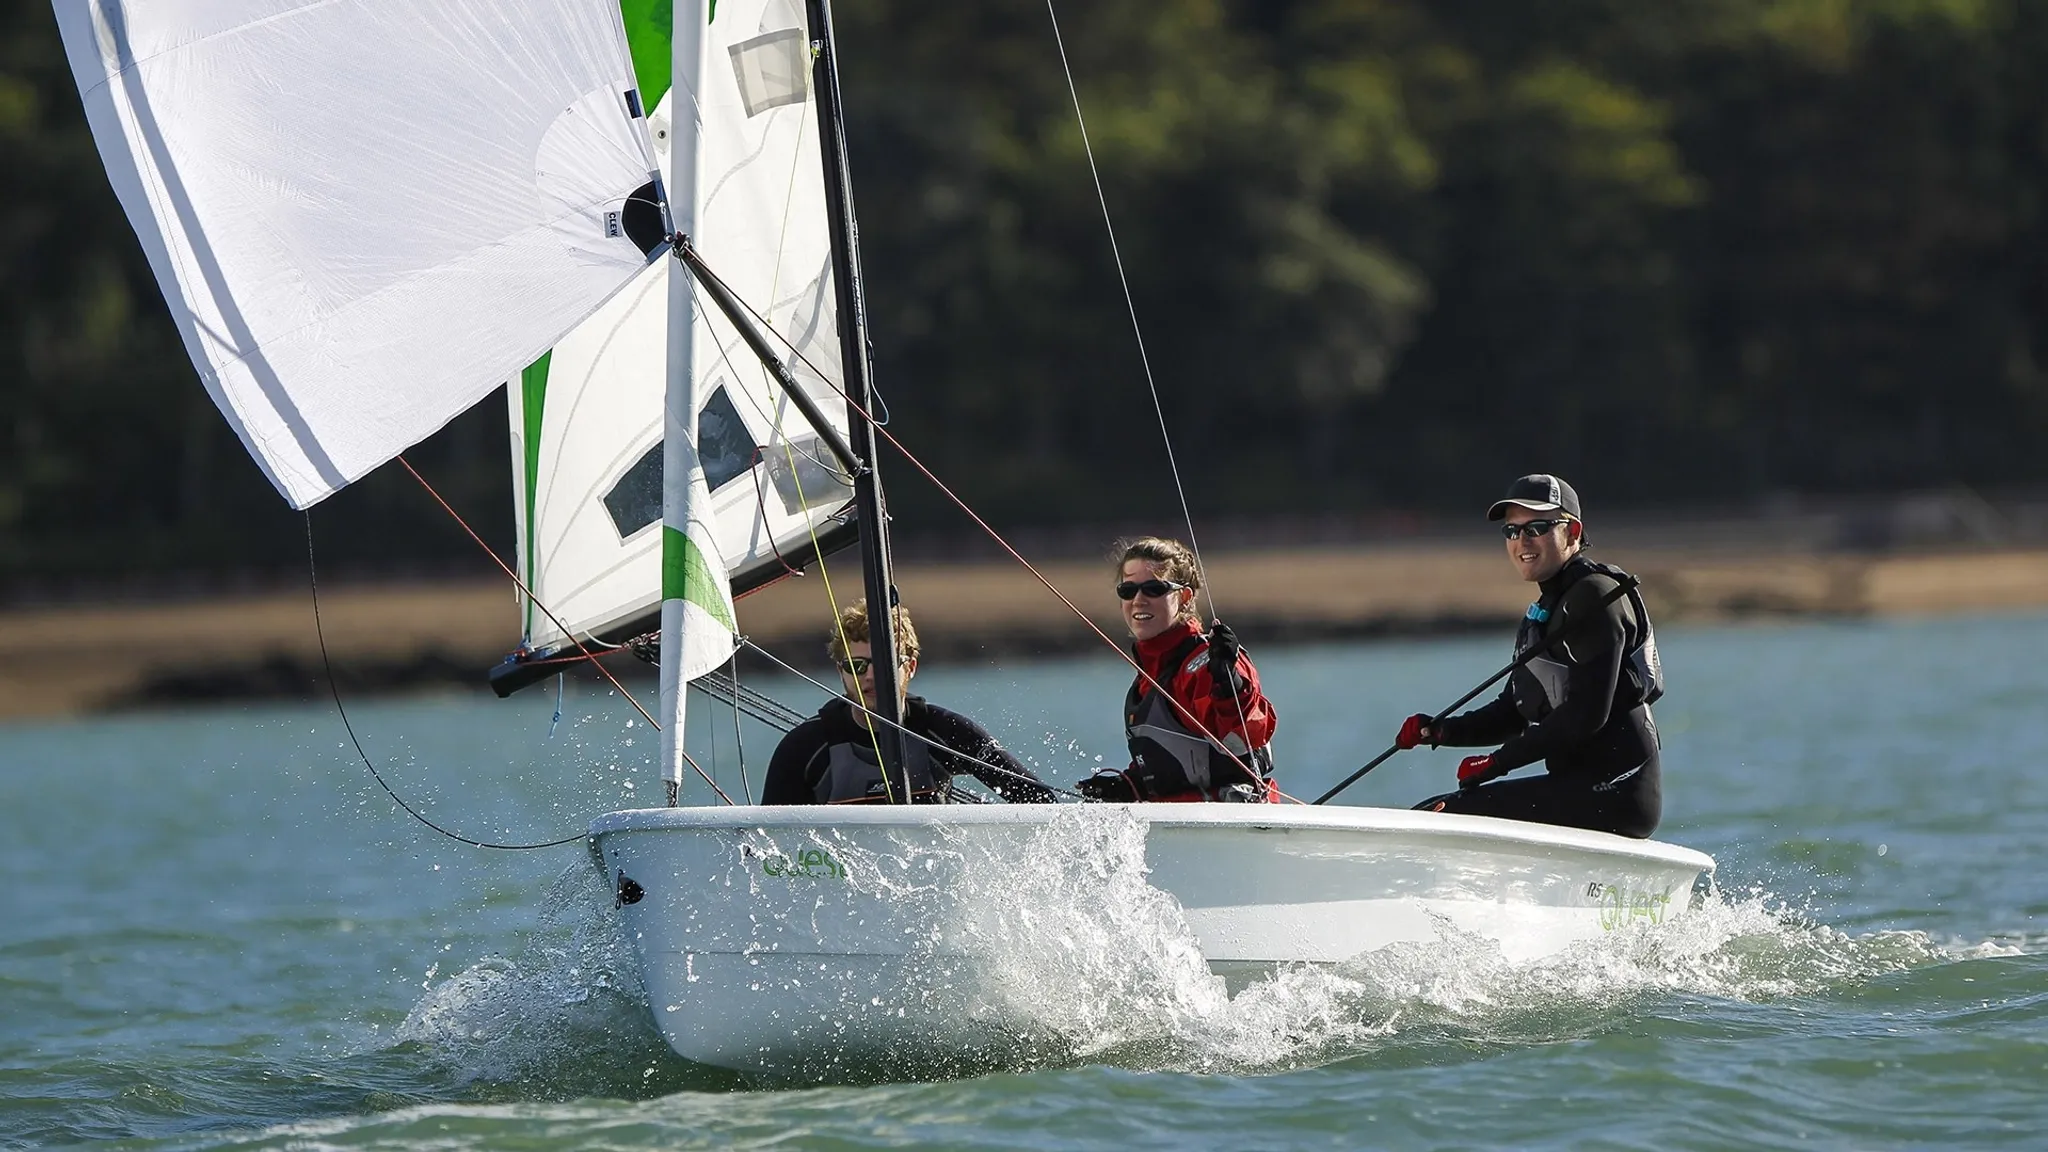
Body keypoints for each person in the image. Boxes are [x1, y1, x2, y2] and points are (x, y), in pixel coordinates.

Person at [1397, 474, 1664, 838]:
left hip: (1618, 789)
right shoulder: (1546, 611)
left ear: (1572, 532)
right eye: (1512, 531)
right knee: (1440, 812)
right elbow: (1513, 712)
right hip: (1576, 786)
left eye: (1537, 527)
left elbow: (1587, 714)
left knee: (1441, 815)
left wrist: (1498, 762)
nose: (1522, 541)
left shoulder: (1593, 598)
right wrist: (1441, 730)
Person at [762, 600, 1056, 804]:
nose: (870, 678)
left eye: (885, 665)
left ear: (910, 668)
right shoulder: (803, 748)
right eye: (857, 666)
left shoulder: (940, 730)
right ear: (841, 671)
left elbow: (1040, 799)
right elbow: (764, 847)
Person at [1077, 536, 1279, 802]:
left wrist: (1232, 685)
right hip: (1176, 831)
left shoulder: (1208, 663)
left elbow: (1241, 741)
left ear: (1184, 597)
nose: (1138, 600)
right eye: (1128, 591)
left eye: (1153, 589)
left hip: (1231, 827)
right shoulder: (1146, 680)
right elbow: (1176, 765)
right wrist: (1129, 786)